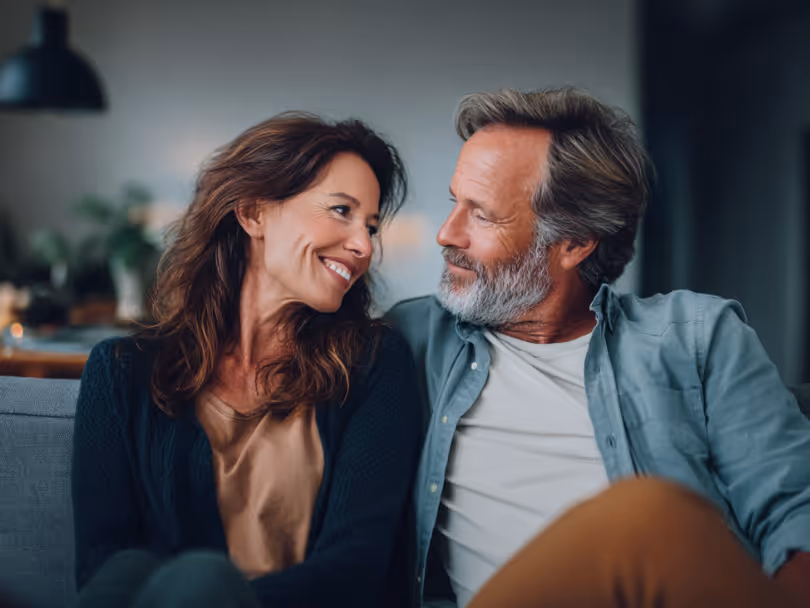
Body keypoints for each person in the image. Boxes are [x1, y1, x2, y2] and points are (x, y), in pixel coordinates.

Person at [386, 87, 810, 607]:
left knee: (650, 516)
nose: (447, 234)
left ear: (574, 244)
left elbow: (796, 510)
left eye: (482, 214)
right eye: (456, 202)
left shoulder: (696, 335)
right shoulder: (410, 339)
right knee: (646, 514)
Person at [72, 113, 422, 608]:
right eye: (341, 210)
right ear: (254, 213)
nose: (364, 246)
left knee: (199, 580)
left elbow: (355, 572)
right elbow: (98, 563)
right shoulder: (121, 371)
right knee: (128, 569)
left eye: (370, 225)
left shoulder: (373, 364)